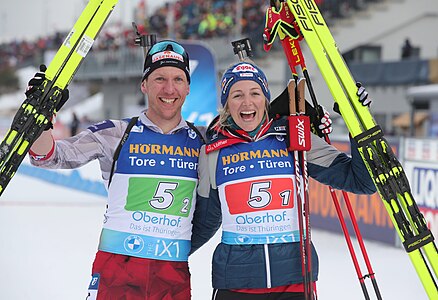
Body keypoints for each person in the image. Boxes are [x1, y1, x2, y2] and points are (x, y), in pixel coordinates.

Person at [27, 40, 209, 299]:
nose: (169, 88)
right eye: (159, 79)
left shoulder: (203, 140)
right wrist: (41, 117)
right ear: (144, 84)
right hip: (118, 269)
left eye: (178, 79)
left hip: (171, 273)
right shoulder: (115, 132)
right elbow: (49, 156)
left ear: (188, 87)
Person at [190, 61, 377, 299]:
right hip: (236, 284)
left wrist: (358, 121)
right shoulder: (213, 151)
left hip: (295, 283)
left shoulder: (295, 137)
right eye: (237, 95)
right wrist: (163, 259)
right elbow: (206, 222)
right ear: (226, 103)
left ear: (265, 98)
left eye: (255, 93)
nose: (247, 103)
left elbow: (361, 182)